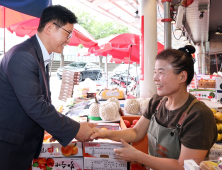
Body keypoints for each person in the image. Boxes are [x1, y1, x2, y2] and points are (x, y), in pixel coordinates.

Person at [90, 45, 217, 170]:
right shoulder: (157, 102)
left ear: (182, 77)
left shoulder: (198, 115)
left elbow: (183, 166)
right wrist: (105, 133)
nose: (155, 78)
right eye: (155, 72)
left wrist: (138, 156)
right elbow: (136, 132)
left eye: (161, 73)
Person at [0, 5, 95, 170]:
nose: (69, 40)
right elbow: (36, 106)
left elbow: (42, 100)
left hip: (21, 144)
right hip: (9, 147)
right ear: (50, 28)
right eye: (67, 33)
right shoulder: (24, 56)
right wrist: (76, 129)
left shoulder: (37, 54)